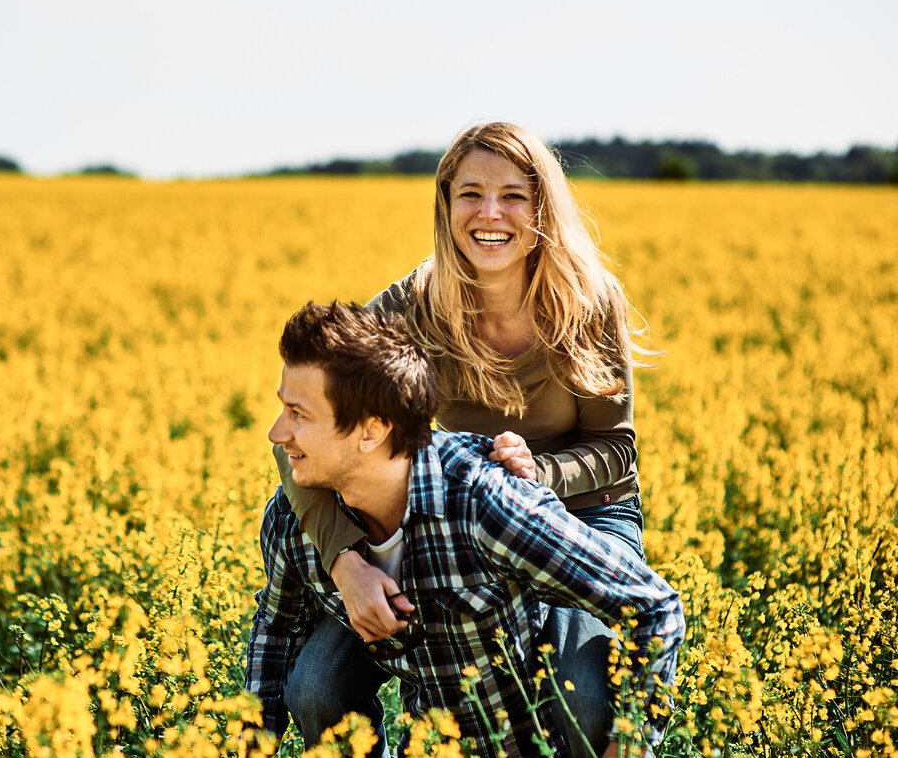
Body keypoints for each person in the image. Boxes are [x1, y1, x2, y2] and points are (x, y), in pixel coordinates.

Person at [275, 122, 649, 754]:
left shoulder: (590, 302)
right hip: (448, 520)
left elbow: (617, 451)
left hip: (583, 519)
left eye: (513, 195)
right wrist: (345, 563)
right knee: (316, 688)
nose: (490, 213)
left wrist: (540, 475)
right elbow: (304, 429)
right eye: (470, 193)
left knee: (585, 698)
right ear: (446, 206)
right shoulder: (408, 307)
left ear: (541, 208)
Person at [245, 301, 683, 758]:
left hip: (536, 740)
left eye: (299, 414)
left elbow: (655, 608)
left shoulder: (485, 504)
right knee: (314, 686)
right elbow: (275, 634)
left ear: (371, 431)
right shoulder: (296, 524)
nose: (276, 434)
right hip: (437, 744)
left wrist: (629, 742)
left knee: (588, 695)